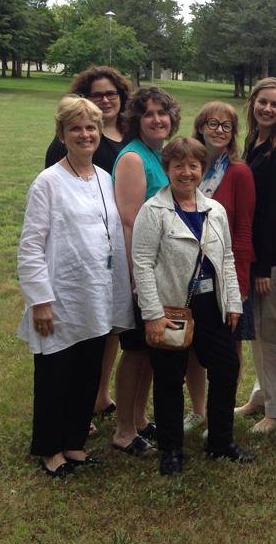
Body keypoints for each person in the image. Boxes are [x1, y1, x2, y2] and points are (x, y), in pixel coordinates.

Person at [18, 96, 133, 477]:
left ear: (99, 131)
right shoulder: (49, 182)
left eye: (90, 127)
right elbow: (31, 246)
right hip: (60, 296)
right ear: (62, 133)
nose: (85, 135)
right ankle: (50, 449)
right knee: (56, 374)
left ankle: (74, 443)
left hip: (96, 294)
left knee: (87, 372)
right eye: (75, 128)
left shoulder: (104, 178)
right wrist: (40, 300)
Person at [132, 137, 257, 475]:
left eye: (193, 166)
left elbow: (226, 258)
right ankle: (171, 449)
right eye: (178, 166)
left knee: (226, 368)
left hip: (211, 306)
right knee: (170, 377)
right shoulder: (153, 211)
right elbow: (142, 263)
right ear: (167, 169)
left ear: (203, 169)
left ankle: (221, 441)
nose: (186, 173)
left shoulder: (215, 211)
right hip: (171, 308)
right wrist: (152, 315)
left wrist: (233, 303)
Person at [44, 65, 133, 421]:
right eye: (98, 94)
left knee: (109, 325)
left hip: (116, 246)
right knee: (84, 328)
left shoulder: (129, 135)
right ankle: (81, 400)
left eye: (112, 93)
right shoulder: (70, 141)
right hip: (81, 251)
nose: (106, 99)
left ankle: (98, 394)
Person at [111, 86, 180, 456]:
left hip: (157, 271)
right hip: (141, 273)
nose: (157, 119)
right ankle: (124, 430)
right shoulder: (133, 159)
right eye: (149, 114)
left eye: (162, 113)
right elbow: (129, 222)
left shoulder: (157, 154)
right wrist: (137, 280)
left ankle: (138, 419)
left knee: (152, 349)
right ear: (136, 119)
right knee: (136, 351)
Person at [184, 102, 256, 435]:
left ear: (233, 134)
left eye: (226, 126)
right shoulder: (188, 167)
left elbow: (243, 229)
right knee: (190, 343)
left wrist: (239, 284)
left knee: (228, 349)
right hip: (187, 272)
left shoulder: (239, 172)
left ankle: (220, 414)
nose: (218, 130)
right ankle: (198, 410)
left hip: (225, 275)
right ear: (200, 127)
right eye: (212, 123)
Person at [235, 77, 276, 433]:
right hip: (254, 255)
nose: (268, 109)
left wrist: (263, 266)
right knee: (259, 331)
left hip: (270, 260)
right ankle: (262, 396)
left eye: (275, 104)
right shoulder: (254, 142)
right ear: (253, 103)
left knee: (275, 333)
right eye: (263, 102)